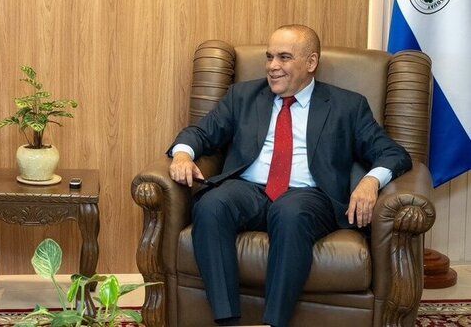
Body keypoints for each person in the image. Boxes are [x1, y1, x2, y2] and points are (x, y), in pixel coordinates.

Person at [168, 24, 412, 327]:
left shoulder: (347, 105)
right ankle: (227, 320)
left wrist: (371, 181)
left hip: (309, 196)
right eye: (269, 57)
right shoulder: (243, 96)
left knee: (290, 212)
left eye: (284, 57)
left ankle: (275, 322)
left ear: (311, 62)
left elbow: (393, 153)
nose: (272, 66)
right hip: (249, 190)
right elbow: (201, 133)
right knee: (211, 205)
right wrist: (183, 154)